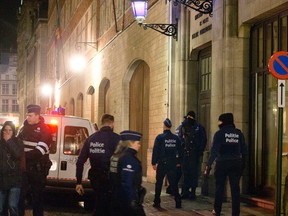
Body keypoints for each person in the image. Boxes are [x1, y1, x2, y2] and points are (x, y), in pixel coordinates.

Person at [76, 114, 120, 216]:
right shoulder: (117, 139)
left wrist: (79, 182)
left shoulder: (91, 139)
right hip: (111, 179)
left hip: (95, 179)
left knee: (100, 202)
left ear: (101, 123)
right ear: (112, 124)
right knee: (107, 206)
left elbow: (80, 161)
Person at [204, 113, 247, 216]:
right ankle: (235, 213)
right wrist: (243, 164)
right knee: (235, 189)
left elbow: (214, 151)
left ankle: (217, 209)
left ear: (223, 121)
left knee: (219, 187)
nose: (218, 123)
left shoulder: (219, 134)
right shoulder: (238, 134)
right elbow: (244, 151)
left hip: (222, 163)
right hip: (236, 163)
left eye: (220, 121)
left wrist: (208, 165)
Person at [17, 104, 52, 216]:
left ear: (37, 116)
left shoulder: (45, 130)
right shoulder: (23, 128)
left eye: (30, 115)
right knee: (20, 196)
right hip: (24, 169)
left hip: (38, 170)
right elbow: (17, 144)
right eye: (27, 115)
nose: (28, 117)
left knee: (37, 198)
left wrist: (21, 156)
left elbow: (39, 152)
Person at [109, 130, 146, 216]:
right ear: (131, 143)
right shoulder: (129, 159)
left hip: (116, 199)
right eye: (138, 143)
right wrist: (133, 201)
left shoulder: (116, 155)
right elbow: (127, 183)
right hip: (126, 202)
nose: (139, 146)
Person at [152, 118, 182, 209]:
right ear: (170, 127)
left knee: (159, 183)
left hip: (162, 163)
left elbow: (155, 150)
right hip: (172, 163)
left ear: (164, 126)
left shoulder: (160, 137)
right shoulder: (175, 138)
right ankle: (178, 201)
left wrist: (154, 162)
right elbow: (180, 151)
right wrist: (179, 162)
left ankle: (157, 202)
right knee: (173, 184)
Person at [180, 111, 207, 199]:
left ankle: (193, 192)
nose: (188, 119)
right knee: (185, 172)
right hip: (185, 153)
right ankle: (185, 191)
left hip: (194, 154)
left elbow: (203, 140)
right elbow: (180, 139)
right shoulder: (183, 126)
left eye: (190, 118)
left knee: (194, 173)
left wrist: (199, 152)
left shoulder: (199, 127)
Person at [0, 121, 24, 216]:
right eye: (5, 130)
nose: (7, 132)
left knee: (12, 206)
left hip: (14, 179)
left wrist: (9, 141)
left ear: (13, 132)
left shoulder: (18, 142)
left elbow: (18, 154)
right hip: (2, 179)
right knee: (1, 207)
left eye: (10, 130)